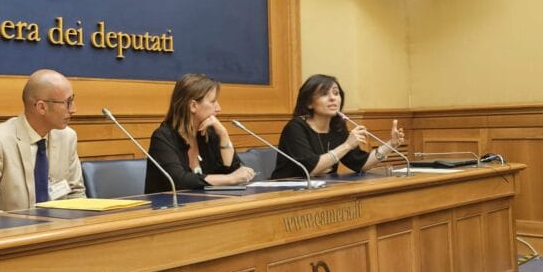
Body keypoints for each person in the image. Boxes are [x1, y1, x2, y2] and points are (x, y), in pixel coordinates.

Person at [0, 69, 86, 216]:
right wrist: (28, 225)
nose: (74, 109)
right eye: (67, 102)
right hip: (15, 233)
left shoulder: (67, 137)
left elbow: (76, 194)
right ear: (41, 107)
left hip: (59, 232)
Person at [271, 74, 404, 179]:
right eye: (324, 94)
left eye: (336, 93)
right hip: (286, 193)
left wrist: (391, 145)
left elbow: (360, 164)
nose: (333, 98)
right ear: (309, 103)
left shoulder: (337, 129)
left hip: (321, 191)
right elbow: (311, 168)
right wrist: (346, 146)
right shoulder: (295, 128)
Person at [145, 73, 255, 193]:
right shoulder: (163, 137)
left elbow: (233, 172)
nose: (218, 108)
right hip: (169, 209)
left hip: (206, 205)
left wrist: (224, 135)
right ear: (193, 106)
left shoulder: (208, 133)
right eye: (213, 102)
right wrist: (230, 179)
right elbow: (179, 181)